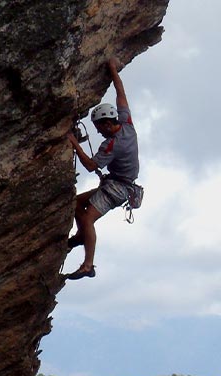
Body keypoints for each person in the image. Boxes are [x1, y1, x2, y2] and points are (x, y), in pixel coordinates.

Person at [64, 57, 139, 280]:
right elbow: (121, 94)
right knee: (77, 202)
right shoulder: (126, 123)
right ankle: (80, 237)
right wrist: (113, 69)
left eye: (99, 128)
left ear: (107, 123)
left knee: (88, 219)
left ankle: (88, 265)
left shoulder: (113, 144)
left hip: (118, 188)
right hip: (119, 183)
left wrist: (73, 141)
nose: (98, 132)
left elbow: (89, 165)